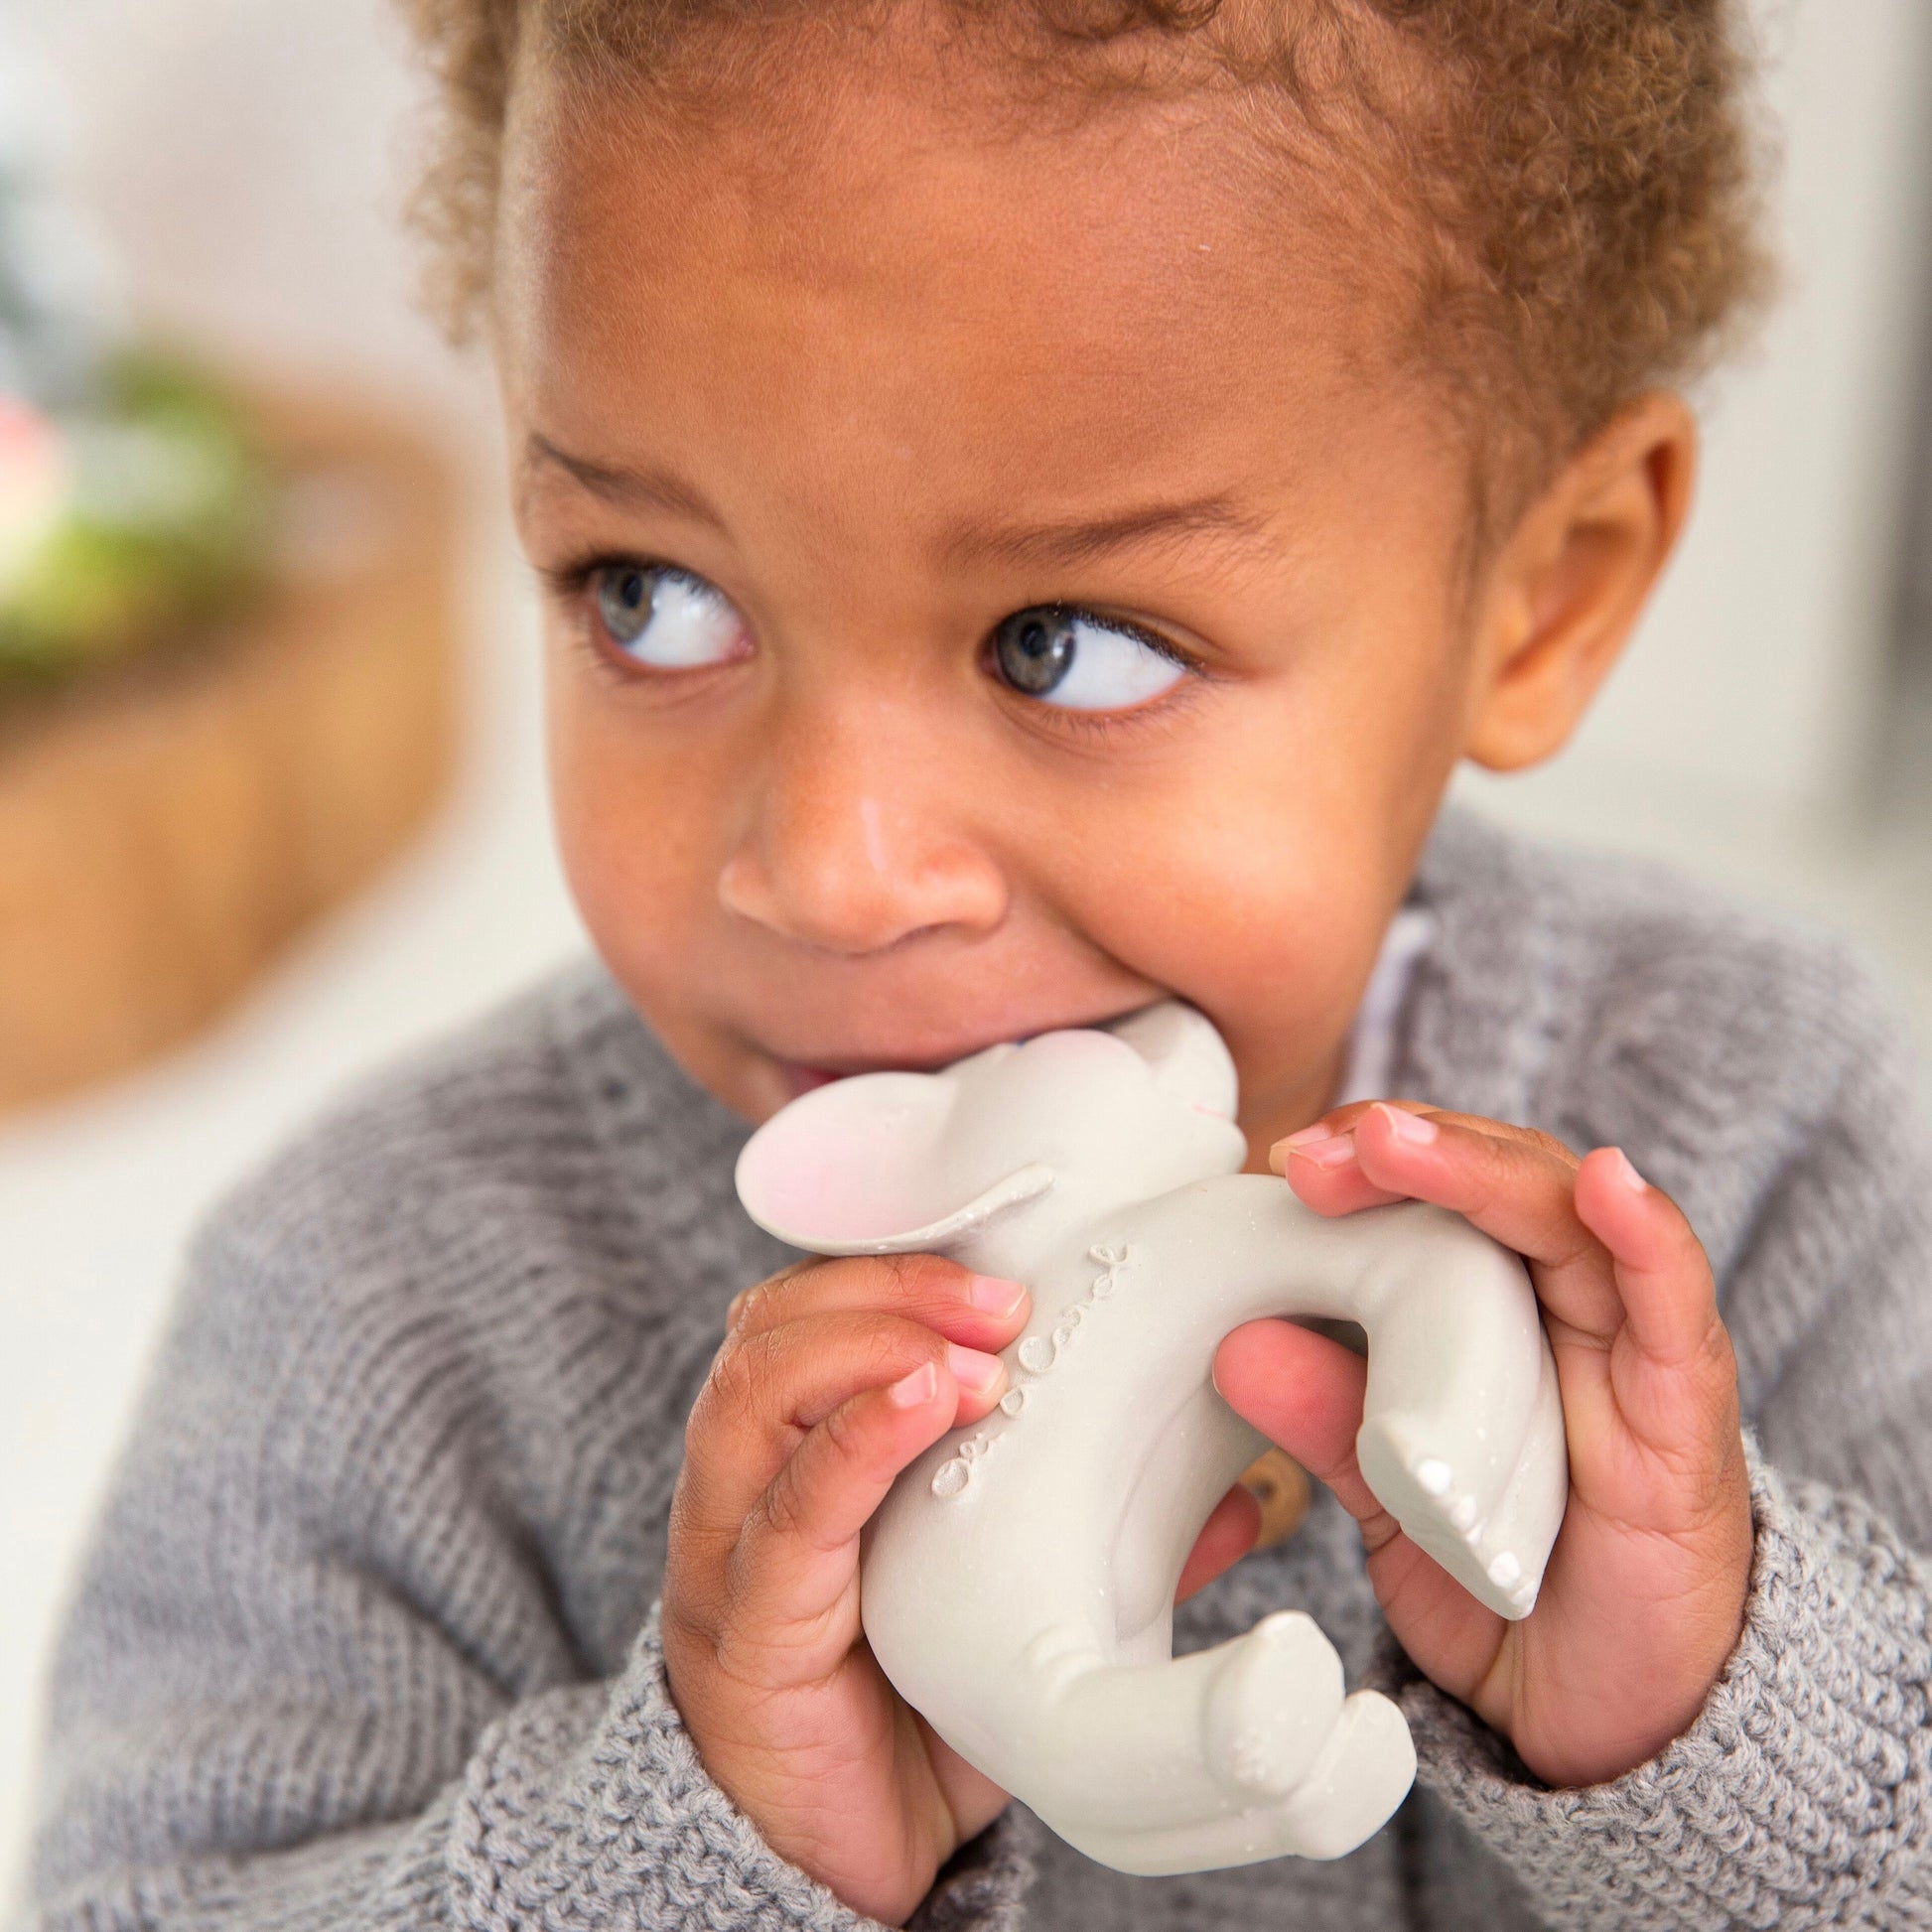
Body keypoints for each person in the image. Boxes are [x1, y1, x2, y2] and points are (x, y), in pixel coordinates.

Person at [24, 2, 1932, 1927]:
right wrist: (704, 1847)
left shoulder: (1755, 1136)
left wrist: (1711, 1713)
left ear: (1548, 588)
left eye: (1066, 644)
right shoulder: (380, 1302)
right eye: (650, 594)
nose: (830, 873)